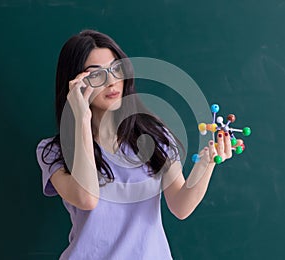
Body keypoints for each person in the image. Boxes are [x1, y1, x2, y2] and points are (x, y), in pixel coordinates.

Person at [36, 29, 233, 260]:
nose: (112, 82)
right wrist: (80, 117)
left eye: (116, 69)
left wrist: (207, 162)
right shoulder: (53, 151)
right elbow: (87, 198)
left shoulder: (155, 136)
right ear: (75, 84)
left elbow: (180, 207)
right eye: (96, 74)